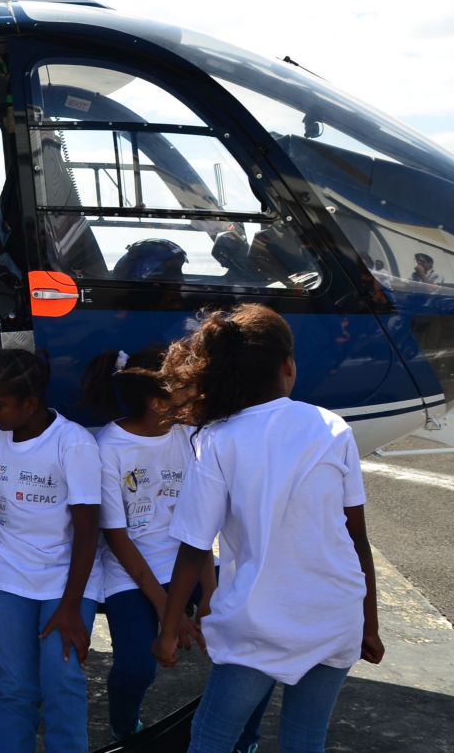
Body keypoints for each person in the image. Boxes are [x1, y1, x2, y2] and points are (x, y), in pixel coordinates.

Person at [153, 304, 384, 753]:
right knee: (305, 739)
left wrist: (168, 628)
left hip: (258, 623)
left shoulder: (217, 440)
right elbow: (357, 538)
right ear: (287, 366)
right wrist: (367, 623)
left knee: (212, 738)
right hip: (334, 615)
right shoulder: (332, 428)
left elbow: (194, 548)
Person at [83, 347, 266, 749]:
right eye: (184, 389)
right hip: (131, 571)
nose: (195, 397)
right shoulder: (108, 448)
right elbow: (118, 538)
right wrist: (171, 611)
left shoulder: (189, 436)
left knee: (254, 644)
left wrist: (210, 595)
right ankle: (126, 728)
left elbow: (199, 526)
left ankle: (244, 739)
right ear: (156, 402)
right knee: (136, 669)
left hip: (191, 560)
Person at [0, 348, 101, 753]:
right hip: (7, 574)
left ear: (31, 404)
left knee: (62, 683)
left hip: (65, 577)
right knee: (15, 688)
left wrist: (72, 605)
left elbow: (88, 530)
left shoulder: (73, 444)